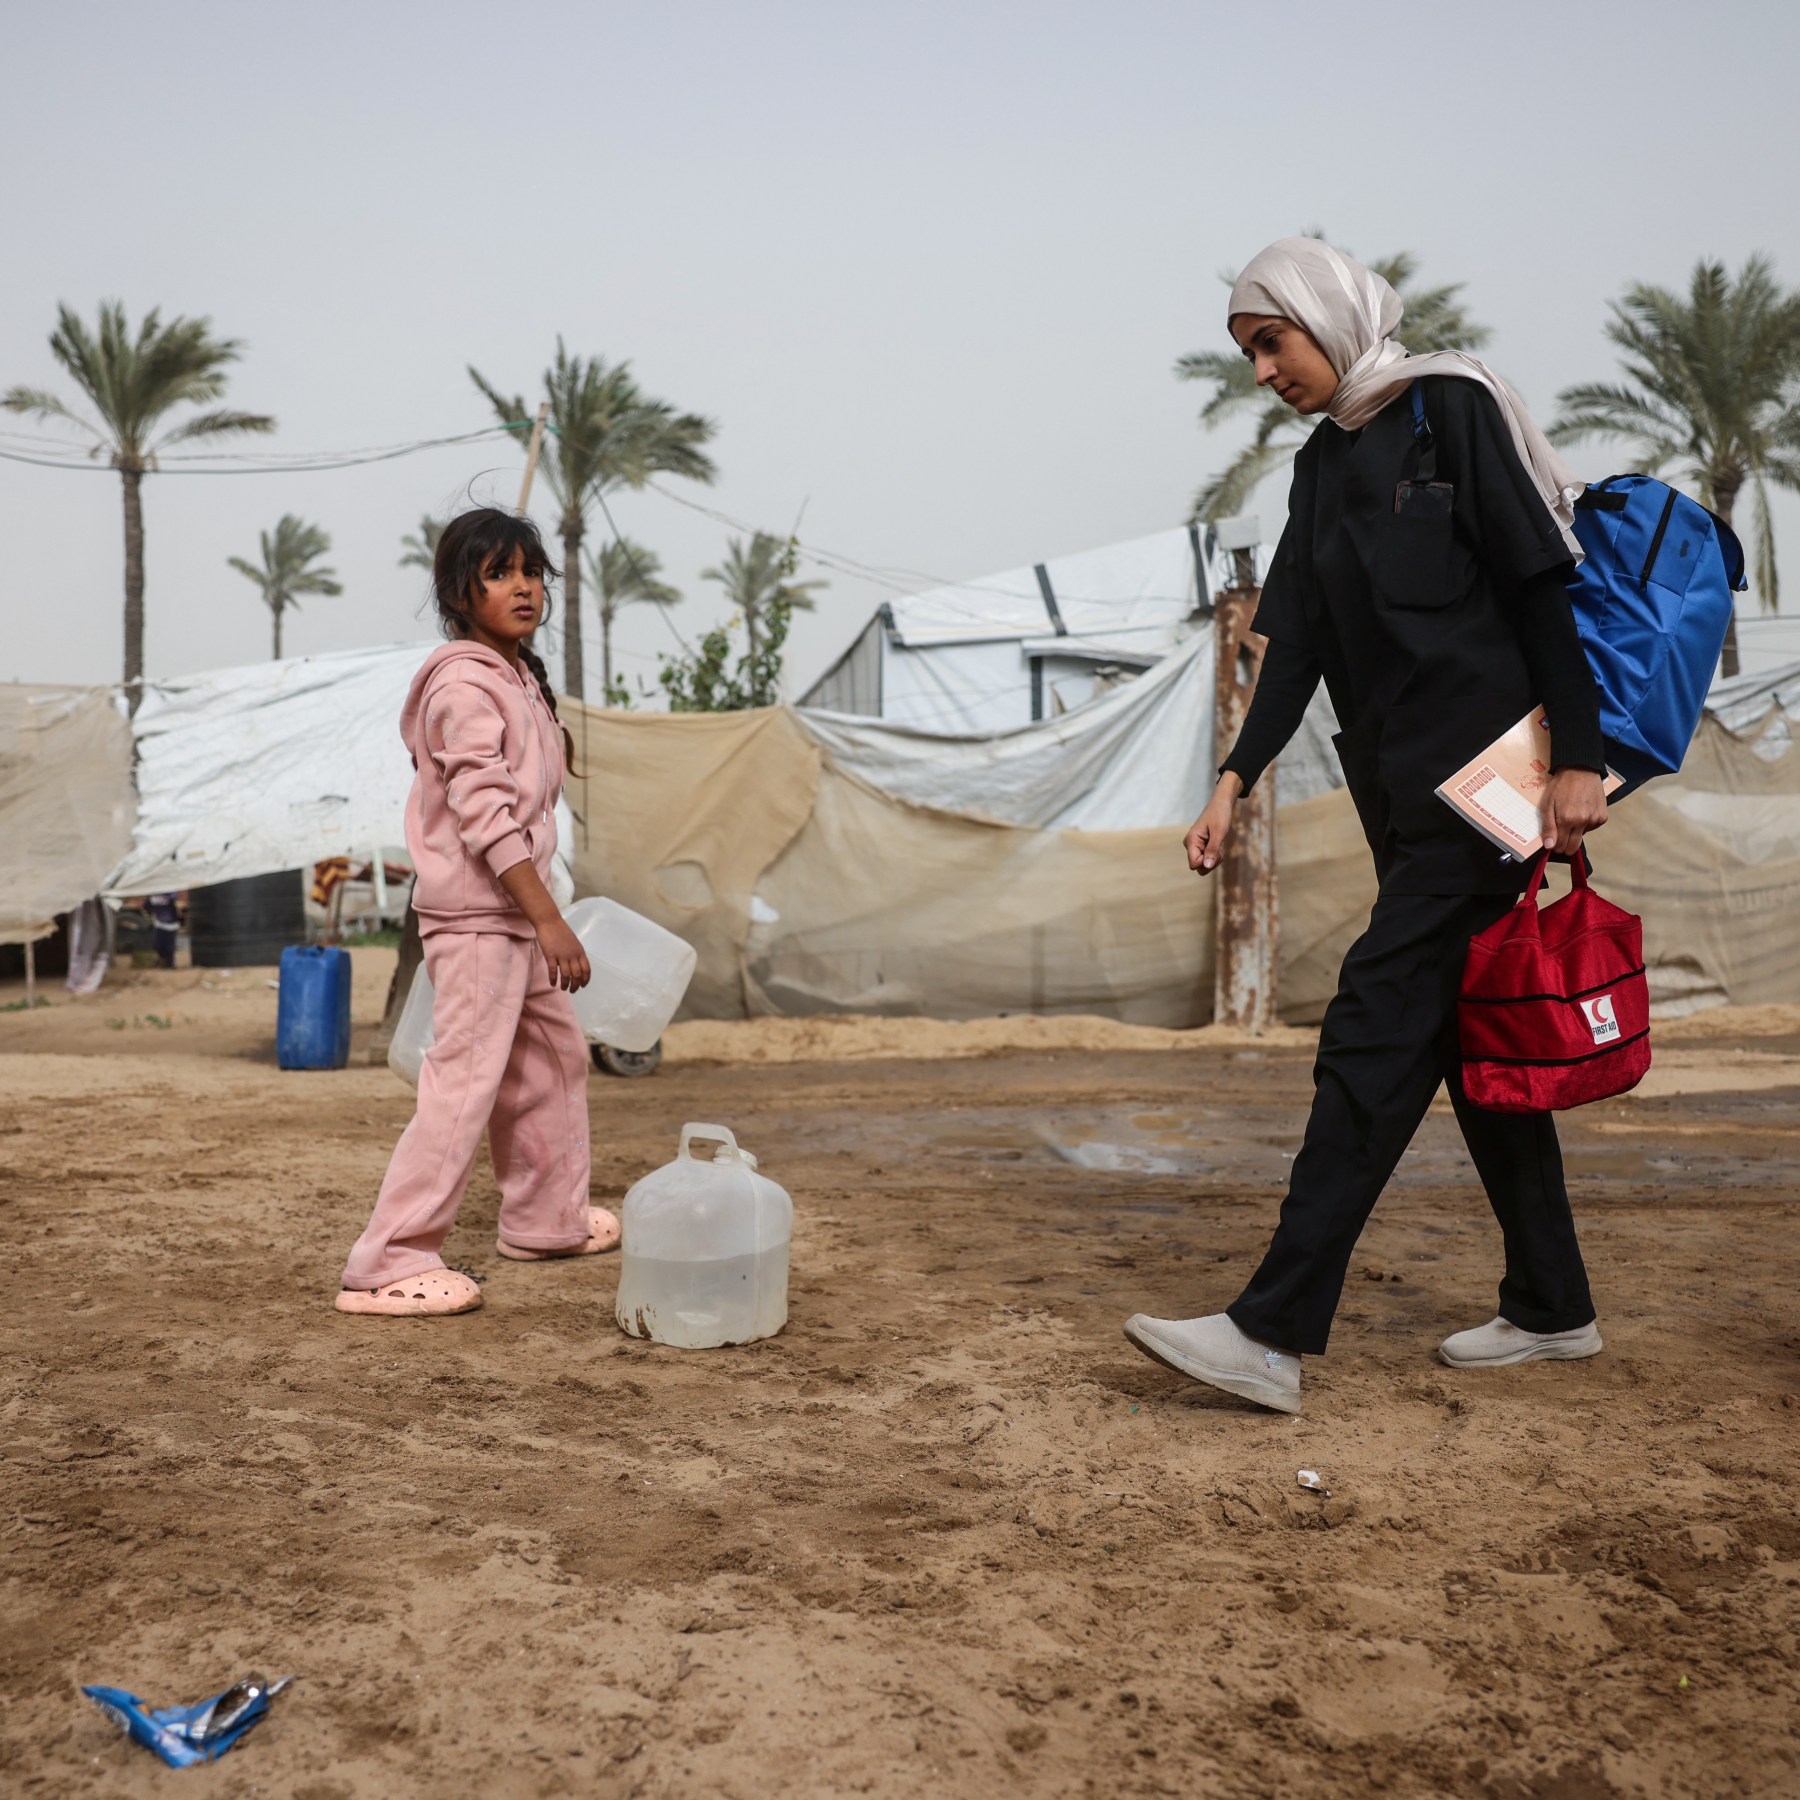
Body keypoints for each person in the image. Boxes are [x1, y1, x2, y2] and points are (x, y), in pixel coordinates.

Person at [1124, 238, 1610, 1413]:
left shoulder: (1450, 409)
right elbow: (1297, 645)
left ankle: (1269, 1330)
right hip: (1399, 798)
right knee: (1466, 1045)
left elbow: (1543, 586)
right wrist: (1235, 779)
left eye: (1271, 341)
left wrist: (1580, 760)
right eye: (1248, 354)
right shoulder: (1322, 464)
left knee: (1370, 1031)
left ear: (1330, 316)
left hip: (1491, 792)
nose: (1262, 371)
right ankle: (1553, 1305)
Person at [336, 508, 615, 1318]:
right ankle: (388, 1260)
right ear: (462, 593)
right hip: (479, 918)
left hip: (516, 915)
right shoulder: (463, 684)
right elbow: (484, 813)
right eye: (499, 574)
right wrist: (550, 919)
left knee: (552, 1062)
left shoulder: (516, 677)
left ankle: (545, 1220)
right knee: (464, 1082)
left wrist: (540, 917)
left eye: (531, 572)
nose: (523, 587)